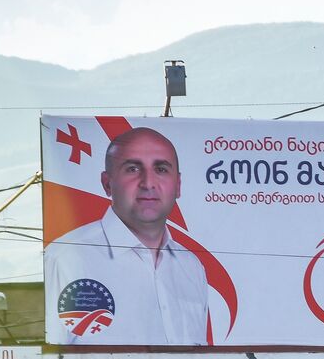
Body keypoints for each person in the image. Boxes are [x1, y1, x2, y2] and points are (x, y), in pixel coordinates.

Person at [45, 127, 209, 345]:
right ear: (107, 183)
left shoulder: (192, 267)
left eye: (161, 169)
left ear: (177, 186)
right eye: (132, 169)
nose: (148, 183)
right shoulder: (67, 257)